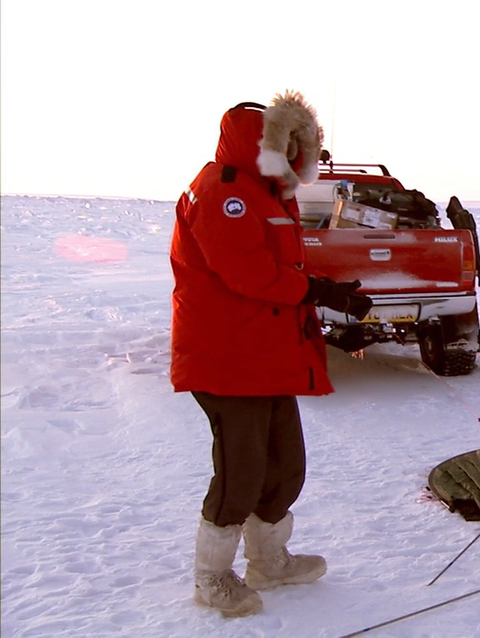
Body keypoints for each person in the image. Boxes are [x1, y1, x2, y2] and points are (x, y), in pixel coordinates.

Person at [170, 92, 372, 616]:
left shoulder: (268, 193)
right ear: (267, 144)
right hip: (226, 358)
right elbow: (247, 273)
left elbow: (279, 271)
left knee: (284, 466)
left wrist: (327, 298)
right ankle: (210, 579)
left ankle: (269, 561)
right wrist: (319, 294)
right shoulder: (223, 192)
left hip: (264, 356)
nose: (301, 156)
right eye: (291, 144)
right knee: (242, 472)